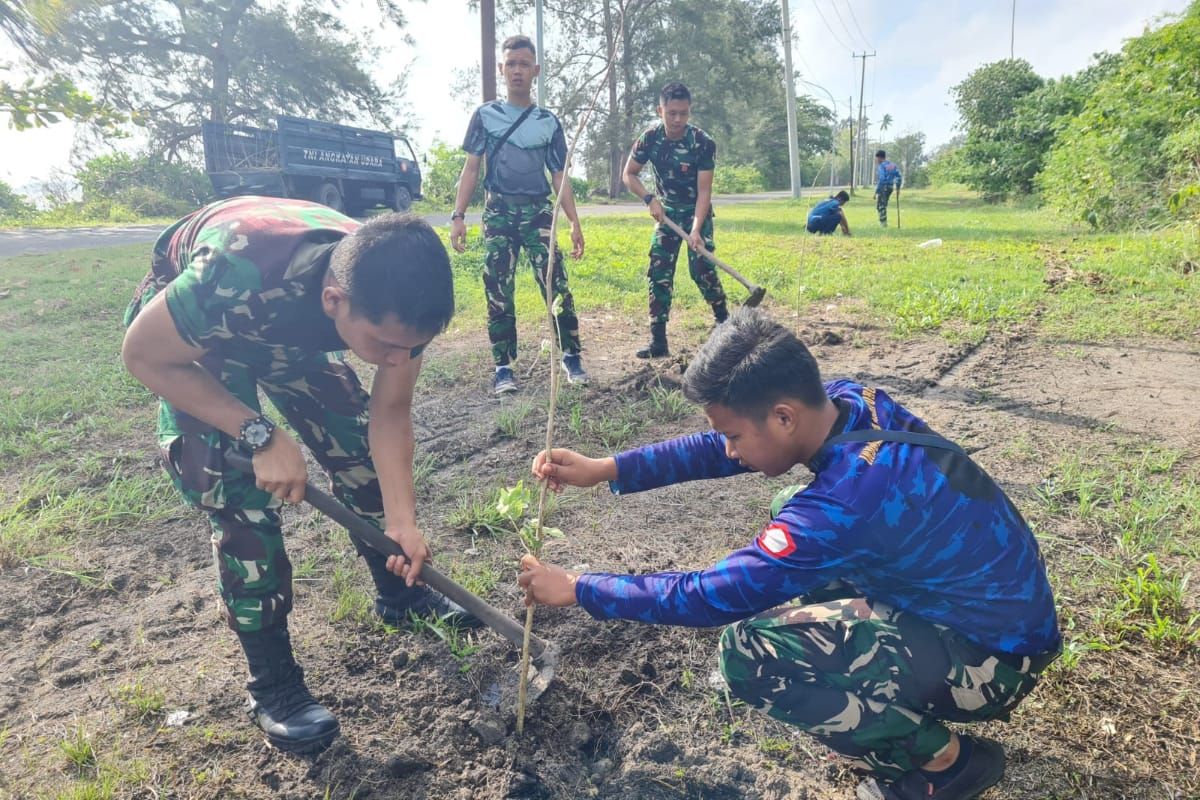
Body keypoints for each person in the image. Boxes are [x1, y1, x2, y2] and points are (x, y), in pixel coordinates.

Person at [518, 308, 1061, 800]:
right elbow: (717, 447)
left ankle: (947, 764)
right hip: (994, 610)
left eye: (733, 434)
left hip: (992, 662)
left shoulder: (845, 505)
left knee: (749, 650)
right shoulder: (850, 401)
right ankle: (881, 702)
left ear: (782, 417)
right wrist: (606, 468)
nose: (728, 448)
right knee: (787, 505)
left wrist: (580, 587)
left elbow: (712, 598)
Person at [122, 196, 481, 755]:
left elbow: (389, 414)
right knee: (243, 499)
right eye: (386, 345)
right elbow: (143, 354)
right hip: (202, 340)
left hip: (289, 326)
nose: (396, 358)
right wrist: (259, 434)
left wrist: (403, 521)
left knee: (361, 459)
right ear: (334, 301)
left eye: (410, 348)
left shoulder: (397, 300)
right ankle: (274, 688)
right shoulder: (230, 277)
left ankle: (399, 598)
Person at [450, 34, 588, 395]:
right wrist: (458, 215)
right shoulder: (485, 116)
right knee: (497, 289)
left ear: (535, 70)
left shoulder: (548, 121)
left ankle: (571, 355)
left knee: (555, 282)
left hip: (539, 213)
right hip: (498, 212)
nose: (516, 71)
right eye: (510, 63)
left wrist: (574, 221)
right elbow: (471, 168)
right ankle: (503, 366)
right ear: (501, 68)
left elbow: (559, 175)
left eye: (523, 64)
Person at [623, 82, 728, 359]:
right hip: (666, 213)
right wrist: (650, 199)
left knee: (701, 269)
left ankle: (724, 322)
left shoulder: (702, 142)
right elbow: (629, 174)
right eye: (672, 113)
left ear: (690, 112)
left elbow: (704, 191)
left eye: (683, 113)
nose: (678, 119)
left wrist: (696, 229)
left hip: (697, 212)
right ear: (661, 110)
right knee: (659, 271)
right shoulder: (650, 138)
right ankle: (658, 341)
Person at [875, 149, 902, 228]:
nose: (876, 160)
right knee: (881, 205)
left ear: (879, 158)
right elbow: (899, 177)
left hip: (884, 187)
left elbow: (882, 179)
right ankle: (882, 221)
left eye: (876, 158)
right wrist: (898, 188)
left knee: (881, 205)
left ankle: (883, 224)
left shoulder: (881, 166)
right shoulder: (893, 165)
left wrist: (877, 190)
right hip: (890, 187)